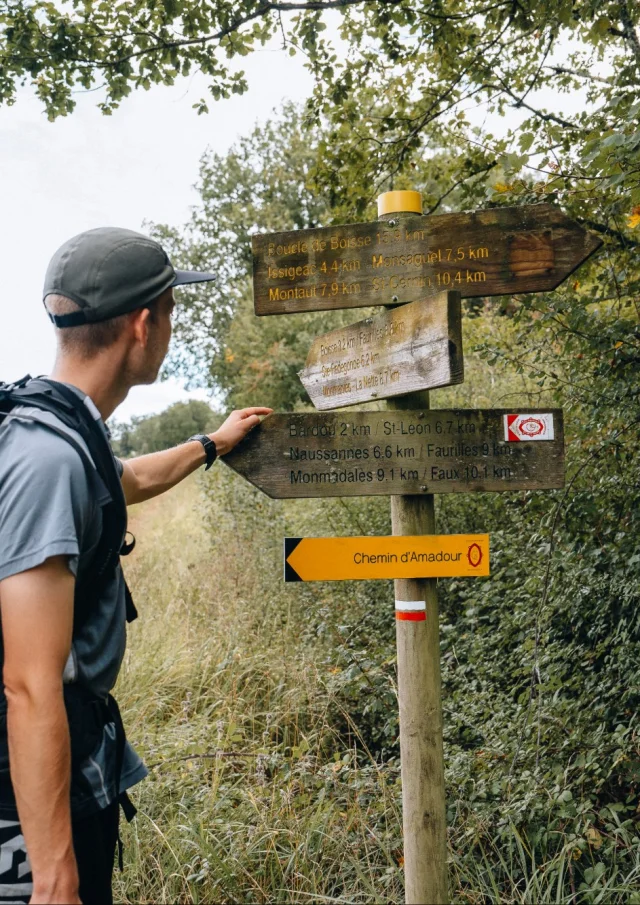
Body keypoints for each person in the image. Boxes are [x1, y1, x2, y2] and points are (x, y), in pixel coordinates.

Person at [0, 227, 272, 904]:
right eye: (171, 313)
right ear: (144, 325)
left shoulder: (67, 428)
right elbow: (29, 683)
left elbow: (127, 481)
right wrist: (53, 874)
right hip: (23, 797)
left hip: (66, 766)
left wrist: (212, 443)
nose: (171, 329)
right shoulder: (47, 459)